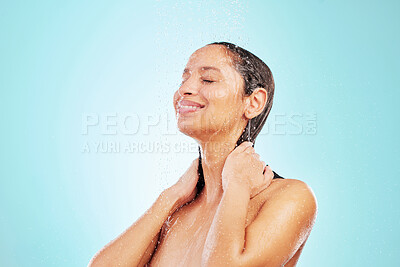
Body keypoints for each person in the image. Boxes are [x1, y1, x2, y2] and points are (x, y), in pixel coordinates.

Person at [89, 42, 318, 267]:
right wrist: (168, 198)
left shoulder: (290, 197)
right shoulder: (176, 210)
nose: (184, 90)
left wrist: (237, 185)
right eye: (183, 79)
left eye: (208, 79)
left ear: (253, 102)